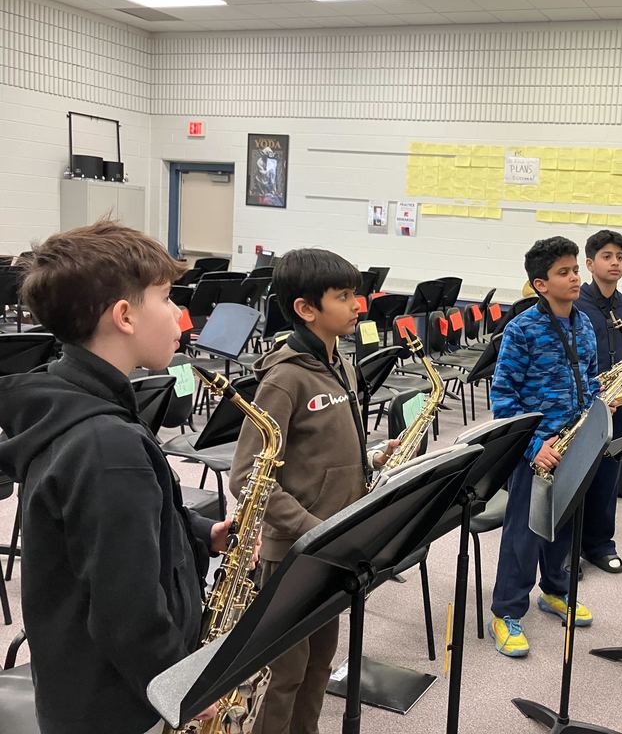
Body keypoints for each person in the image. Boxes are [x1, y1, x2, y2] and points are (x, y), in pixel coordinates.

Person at [0, 221, 232, 734]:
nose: (179, 313)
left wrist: (200, 531)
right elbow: (126, 613)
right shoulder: (107, 445)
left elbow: (109, 533)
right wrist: (182, 688)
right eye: (167, 298)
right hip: (117, 707)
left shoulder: (77, 403)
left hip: (84, 689)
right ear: (124, 316)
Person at [229, 248, 396, 734]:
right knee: (285, 674)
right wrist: (314, 530)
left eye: (355, 294)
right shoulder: (284, 379)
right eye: (343, 297)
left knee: (320, 663)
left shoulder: (340, 362)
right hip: (295, 553)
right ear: (305, 309)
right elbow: (246, 476)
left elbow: (322, 449)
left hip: (335, 546)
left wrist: (370, 459)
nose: (357, 305)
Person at [488, 236, 602, 657]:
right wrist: (534, 444)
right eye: (564, 272)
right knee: (524, 533)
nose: (575, 278)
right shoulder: (521, 330)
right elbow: (503, 398)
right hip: (536, 450)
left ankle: (555, 590)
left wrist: (595, 415)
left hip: (575, 443)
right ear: (541, 284)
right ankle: (505, 611)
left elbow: (590, 380)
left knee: (566, 526)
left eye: (575, 270)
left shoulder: (584, 324)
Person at [576, 229, 622, 573]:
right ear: (590, 264)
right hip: (581, 408)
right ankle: (566, 548)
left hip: (619, 405)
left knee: (607, 477)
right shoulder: (574, 305)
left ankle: (600, 545)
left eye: (620, 256)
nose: (615, 262)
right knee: (576, 477)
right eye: (607, 256)